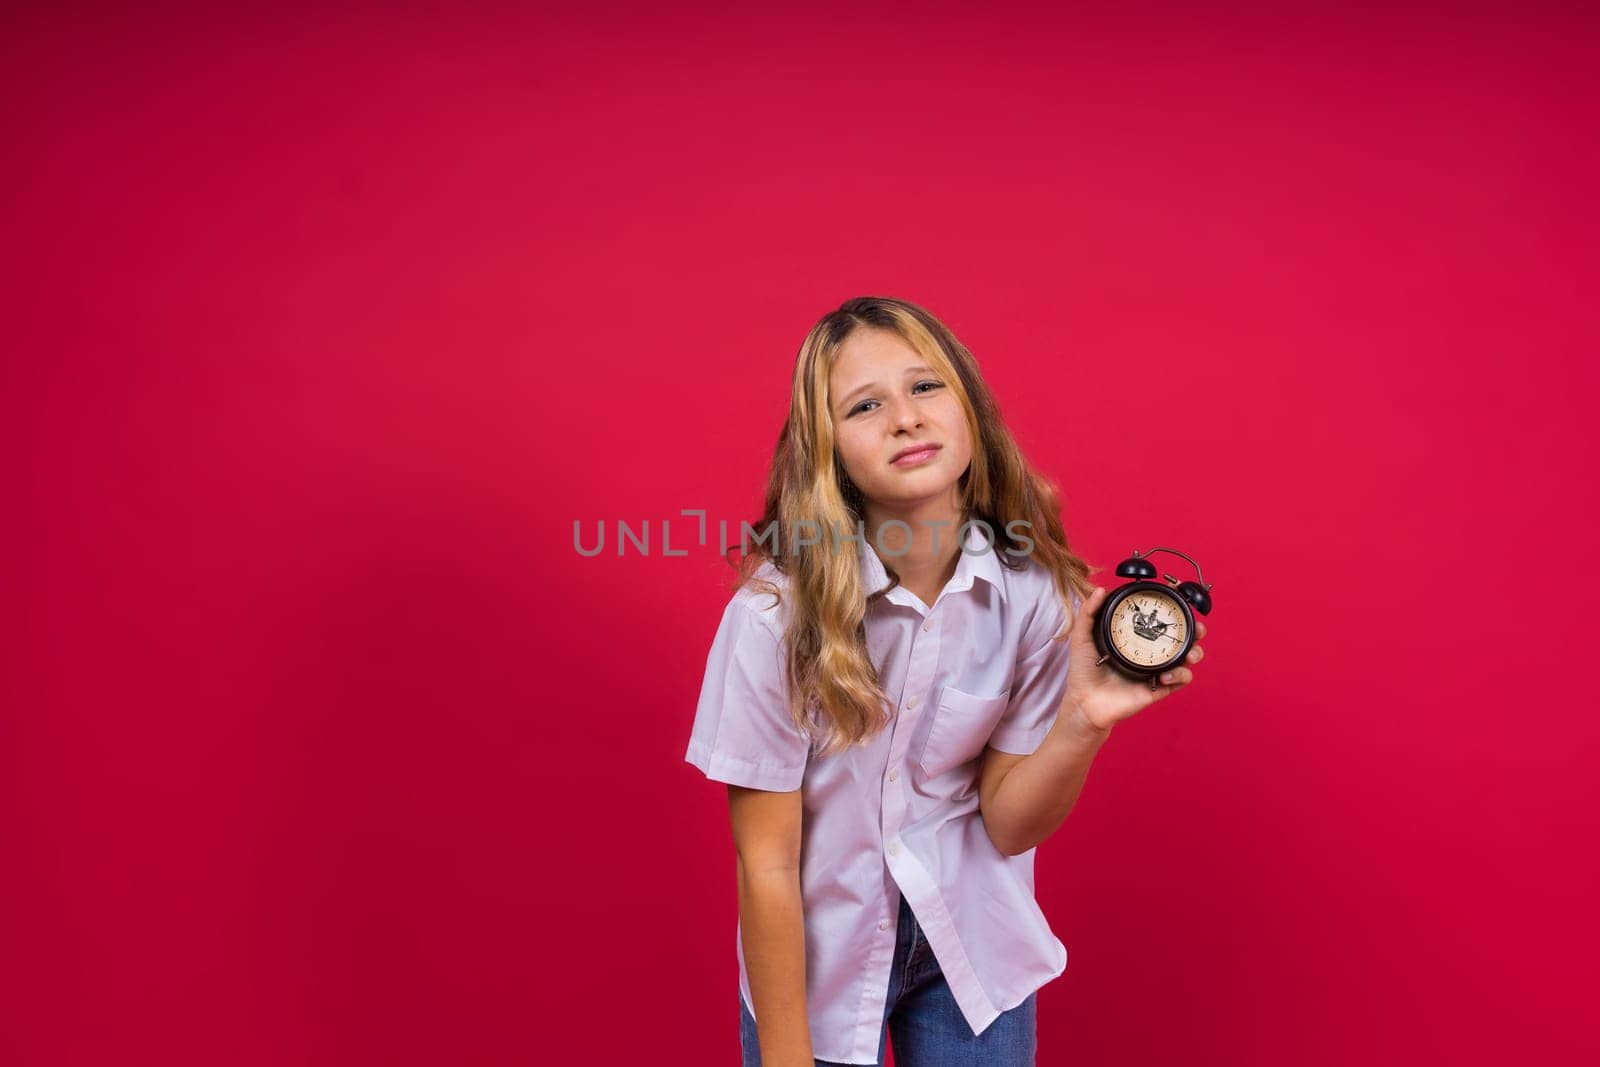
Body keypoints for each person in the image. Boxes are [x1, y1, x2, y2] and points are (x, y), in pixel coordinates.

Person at [684, 296, 1206, 1066]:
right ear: (826, 448)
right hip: (820, 955)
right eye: (866, 404)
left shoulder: (1033, 597)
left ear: (969, 406)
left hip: (971, 944)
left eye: (925, 387)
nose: (905, 417)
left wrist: (1082, 719)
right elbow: (765, 863)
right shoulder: (773, 618)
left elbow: (1007, 823)